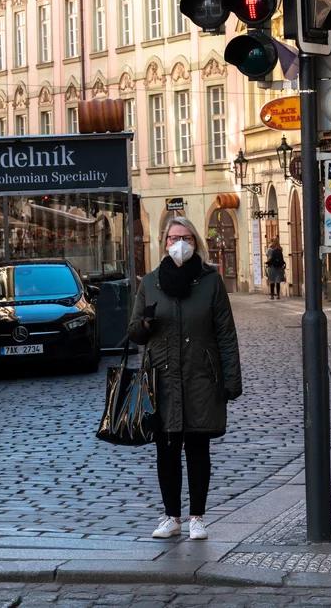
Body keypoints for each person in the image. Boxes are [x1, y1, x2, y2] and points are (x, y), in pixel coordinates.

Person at [127, 216, 243, 541]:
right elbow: (134, 332)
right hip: (161, 380)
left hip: (200, 378)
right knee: (166, 450)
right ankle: (170, 516)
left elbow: (225, 333)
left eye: (187, 238)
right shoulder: (150, 282)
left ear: (196, 243)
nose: (180, 243)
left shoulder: (210, 281)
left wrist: (231, 380)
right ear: (164, 243)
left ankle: (198, 518)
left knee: (197, 449)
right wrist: (146, 324)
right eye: (174, 237)